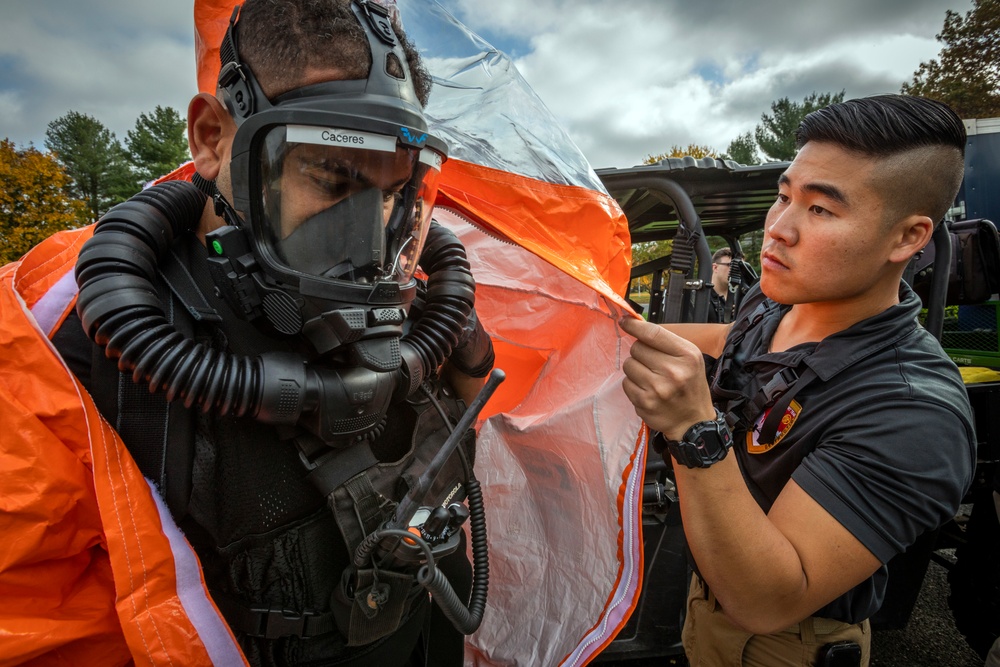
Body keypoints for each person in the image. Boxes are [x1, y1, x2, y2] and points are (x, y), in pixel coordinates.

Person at [0, 1, 494, 665]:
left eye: (390, 192)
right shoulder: (65, 334)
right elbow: (37, 621)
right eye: (333, 175)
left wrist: (460, 343)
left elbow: (459, 438)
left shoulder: (413, 296)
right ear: (211, 137)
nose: (371, 233)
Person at [620, 93, 976, 666]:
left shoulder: (911, 412)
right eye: (785, 197)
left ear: (907, 238)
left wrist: (693, 428)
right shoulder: (778, 302)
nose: (779, 230)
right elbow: (728, 339)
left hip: (785, 644)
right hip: (702, 601)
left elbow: (768, 599)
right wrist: (612, 328)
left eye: (821, 211)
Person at [708, 247, 733, 323]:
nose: (736, 270)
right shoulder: (701, 299)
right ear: (715, 267)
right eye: (730, 265)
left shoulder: (740, 299)